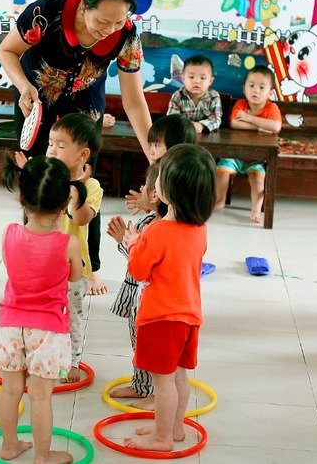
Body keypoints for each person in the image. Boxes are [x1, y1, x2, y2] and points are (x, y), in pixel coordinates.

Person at [0, 0, 154, 297]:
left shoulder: (127, 35)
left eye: (118, 21)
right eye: (102, 21)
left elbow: (134, 101)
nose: (109, 30)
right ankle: (33, 261)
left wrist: (153, 154)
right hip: (35, 102)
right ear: (83, 6)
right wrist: (23, 85)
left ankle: (88, 267)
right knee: (37, 184)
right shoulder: (46, 12)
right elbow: (7, 50)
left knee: (83, 188)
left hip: (84, 110)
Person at [122, 144, 215, 452]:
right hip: (189, 316)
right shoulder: (200, 229)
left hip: (161, 318)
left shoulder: (157, 230)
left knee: (162, 382)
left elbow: (138, 271)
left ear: (169, 189)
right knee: (179, 376)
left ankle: (161, 439)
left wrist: (133, 242)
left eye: (160, 175)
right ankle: (173, 428)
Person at [0, 156, 85, 464]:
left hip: (10, 324)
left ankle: (9, 446)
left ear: (22, 196)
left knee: (10, 391)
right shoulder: (68, 243)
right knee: (40, 396)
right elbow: (75, 277)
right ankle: (43, 455)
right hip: (48, 330)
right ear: (65, 204)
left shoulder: (9, 232)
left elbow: (12, 267)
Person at [44, 113, 103, 383]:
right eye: (50, 143)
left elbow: (80, 218)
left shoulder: (91, 186)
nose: (52, 150)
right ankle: (43, 353)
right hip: (44, 263)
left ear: (83, 154)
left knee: (72, 317)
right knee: (44, 312)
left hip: (74, 269)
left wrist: (75, 189)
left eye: (60, 145)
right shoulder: (46, 177)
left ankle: (72, 361)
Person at [106, 160, 167, 411]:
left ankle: (157, 393)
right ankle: (141, 385)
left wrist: (124, 240)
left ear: (155, 194)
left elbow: (141, 264)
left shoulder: (161, 229)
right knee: (138, 343)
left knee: (151, 346)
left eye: (146, 186)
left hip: (150, 298)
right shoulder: (149, 220)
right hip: (136, 294)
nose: (141, 188)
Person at [217, 65, 283, 224]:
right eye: (251, 85)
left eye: (262, 87)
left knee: (258, 179)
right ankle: (219, 200)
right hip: (235, 155)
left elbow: (275, 126)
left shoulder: (271, 108)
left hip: (257, 158)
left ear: (270, 93)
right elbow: (234, 123)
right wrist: (259, 127)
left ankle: (255, 208)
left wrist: (249, 118)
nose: (256, 91)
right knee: (221, 172)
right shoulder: (241, 104)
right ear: (244, 88)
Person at [124, 114, 196, 214]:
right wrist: (147, 203)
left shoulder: (177, 175)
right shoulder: (159, 168)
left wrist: (147, 202)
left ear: (175, 147)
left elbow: (172, 211)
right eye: (151, 145)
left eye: (156, 145)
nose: (151, 151)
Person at [167, 54, 222, 134]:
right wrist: (188, 125)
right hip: (182, 134)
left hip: (205, 135)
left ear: (210, 81)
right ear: (183, 78)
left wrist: (202, 125)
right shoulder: (177, 96)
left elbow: (216, 119)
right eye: (191, 77)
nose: (196, 81)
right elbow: (171, 119)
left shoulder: (214, 97)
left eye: (202, 78)